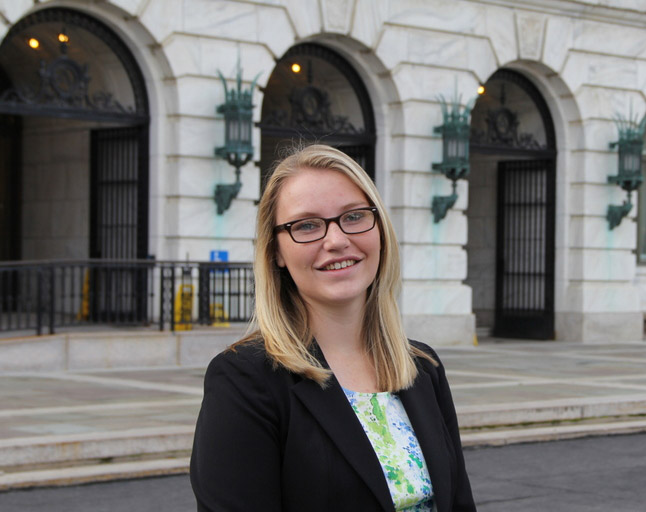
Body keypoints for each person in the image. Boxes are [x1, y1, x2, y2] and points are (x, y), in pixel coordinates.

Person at [190, 144, 476, 511]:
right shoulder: (244, 380)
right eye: (307, 225)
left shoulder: (422, 367)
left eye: (354, 216)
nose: (337, 240)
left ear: (380, 229)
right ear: (276, 251)